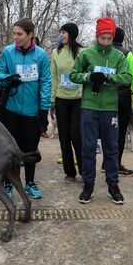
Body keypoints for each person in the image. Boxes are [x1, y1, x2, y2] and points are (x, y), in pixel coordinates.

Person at [70, 17, 131, 205]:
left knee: (111, 147)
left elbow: (127, 77)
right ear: (97, 36)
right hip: (89, 105)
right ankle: (88, 184)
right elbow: (73, 74)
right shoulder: (86, 54)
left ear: (113, 38)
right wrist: (89, 76)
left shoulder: (119, 56)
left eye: (109, 38)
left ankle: (113, 184)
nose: (105, 41)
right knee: (88, 147)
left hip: (110, 107)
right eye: (102, 38)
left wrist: (109, 77)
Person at [0, 18, 50, 199]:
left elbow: (45, 83)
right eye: (14, 34)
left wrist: (44, 110)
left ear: (30, 35)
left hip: (31, 110)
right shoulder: (8, 53)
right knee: (11, 148)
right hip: (10, 109)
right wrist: (9, 79)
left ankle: (30, 183)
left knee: (30, 148)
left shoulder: (41, 55)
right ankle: (9, 183)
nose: (15, 37)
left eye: (19, 34)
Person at [50, 23, 83, 183]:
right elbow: (54, 76)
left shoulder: (83, 52)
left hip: (78, 99)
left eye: (64, 32)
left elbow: (87, 74)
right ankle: (70, 172)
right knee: (63, 136)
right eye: (60, 33)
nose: (61, 35)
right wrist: (52, 98)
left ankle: (84, 169)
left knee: (76, 135)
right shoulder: (56, 52)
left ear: (72, 34)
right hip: (61, 99)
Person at [110, 27, 133, 177]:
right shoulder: (126, 54)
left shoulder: (105, 52)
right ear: (122, 39)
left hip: (106, 96)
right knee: (121, 131)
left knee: (108, 130)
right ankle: (116, 164)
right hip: (123, 97)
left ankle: (106, 163)